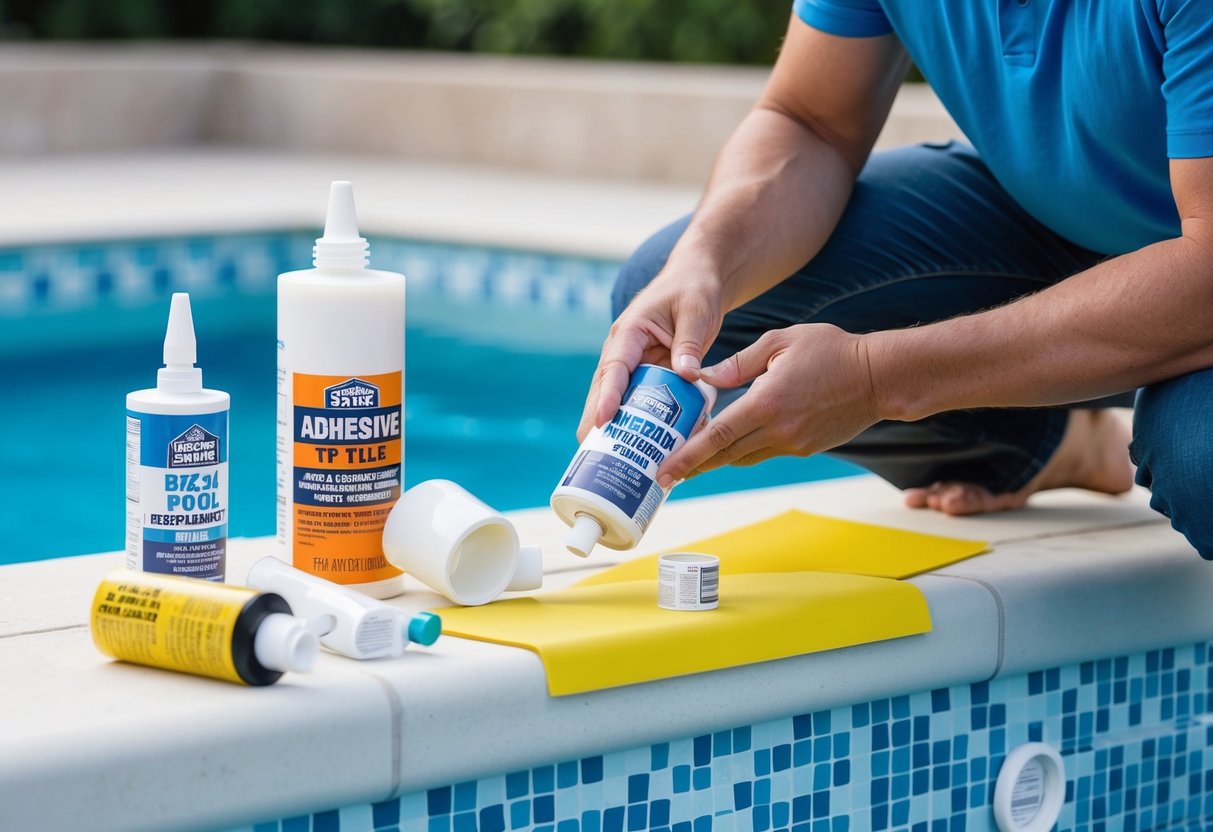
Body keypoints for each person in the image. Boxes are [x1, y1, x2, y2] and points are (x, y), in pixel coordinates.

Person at [577, 1, 1213, 557]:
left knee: (1202, 457)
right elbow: (812, 120)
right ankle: (1051, 447)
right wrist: (704, 265)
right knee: (688, 300)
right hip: (1064, 219)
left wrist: (878, 377)